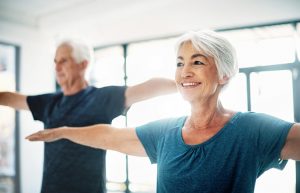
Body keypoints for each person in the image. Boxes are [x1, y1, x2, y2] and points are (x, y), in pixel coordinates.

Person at [26, 30, 300, 193]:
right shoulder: (167, 132)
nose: (185, 71)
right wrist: (62, 131)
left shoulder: (251, 130)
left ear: (225, 74)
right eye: (180, 63)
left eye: (197, 61)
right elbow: (110, 135)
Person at [0, 38, 177, 193]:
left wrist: (188, 85)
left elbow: (147, 87)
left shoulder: (101, 98)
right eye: (55, 62)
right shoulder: (49, 102)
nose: (57, 67)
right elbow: (9, 98)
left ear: (83, 64)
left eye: (63, 61)